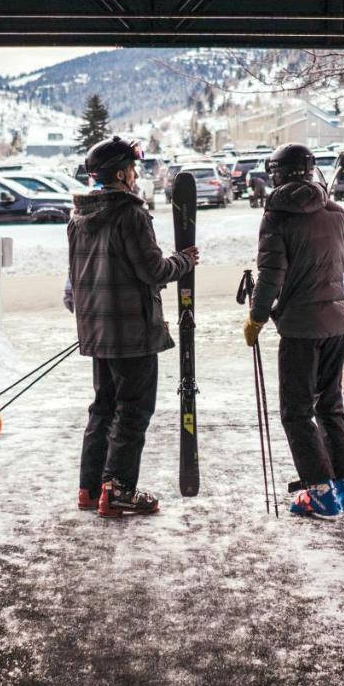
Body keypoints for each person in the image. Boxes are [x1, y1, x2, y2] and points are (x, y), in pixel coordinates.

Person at [68, 136, 201, 518]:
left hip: (96, 331)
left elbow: (74, 279)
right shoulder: (131, 214)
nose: (136, 176)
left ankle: (90, 489)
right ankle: (119, 489)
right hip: (133, 333)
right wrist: (184, 261)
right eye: (134, 169)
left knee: (103, 409)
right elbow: (153, 270)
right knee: (133, 411)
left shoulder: (78, 217)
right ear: (123, 173)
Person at [243, 142, 344, 519]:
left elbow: (271, 275)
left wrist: (257, 317)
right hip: (336, 323)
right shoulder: (335, 211)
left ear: (276, 173)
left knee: (295, 412)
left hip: (299, 328)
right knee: (330, 407)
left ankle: (320, 493)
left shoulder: (277, 215)